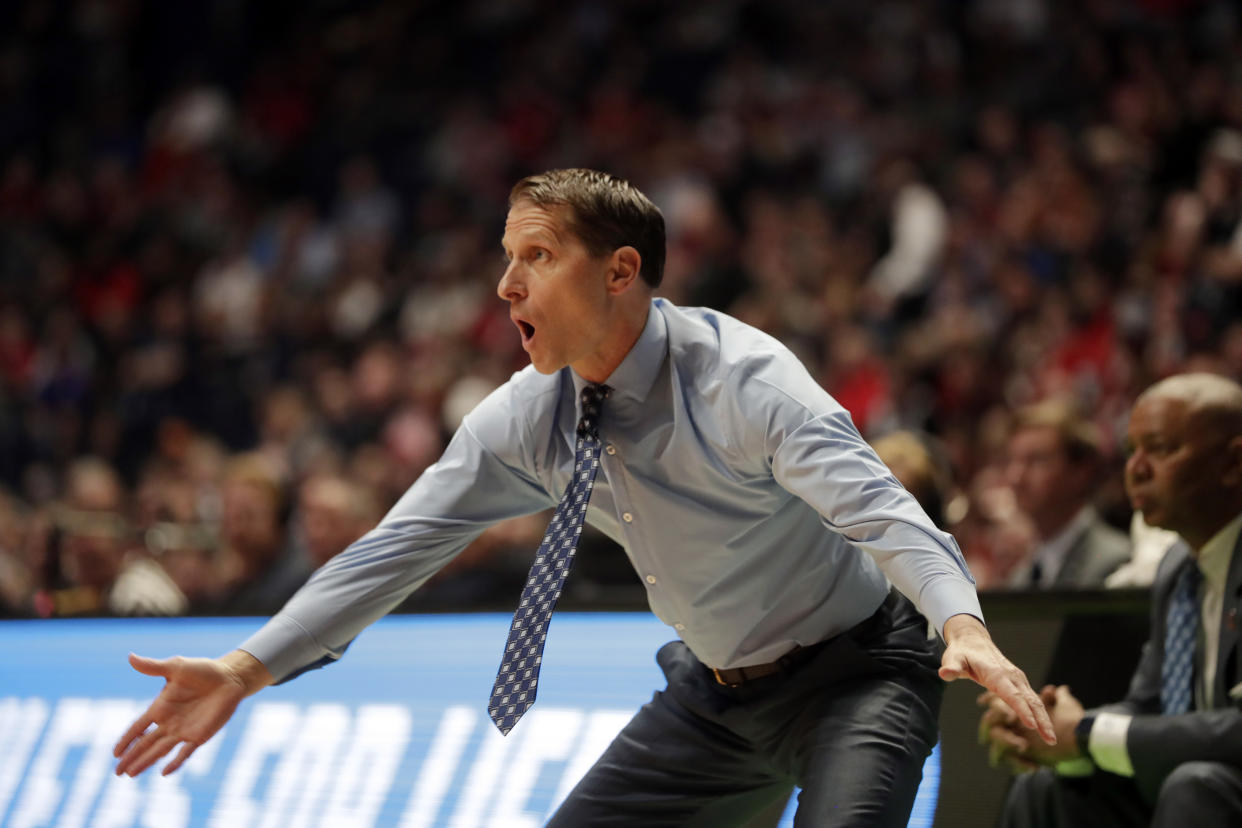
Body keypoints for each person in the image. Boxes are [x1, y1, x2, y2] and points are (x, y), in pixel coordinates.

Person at [113, 169, 1052, 826]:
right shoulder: (524, 418)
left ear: (620, 272)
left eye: (536, 256)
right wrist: (246, 666)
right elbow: (387, 554)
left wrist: (959, 620)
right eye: (505, 256)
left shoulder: (744, 381)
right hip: (712, 698)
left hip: (857, 675)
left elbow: (880, 509)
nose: (504, 283)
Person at [978, 372, 1242, 827]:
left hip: (1214, 790)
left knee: (1195, 785)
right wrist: (1049, 727)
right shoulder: (1178, 568)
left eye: (1160, 449)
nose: (1136, 470)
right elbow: (1150, 704)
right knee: (1042, 785)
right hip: (1194, 782)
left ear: (1233, 464)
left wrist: (1085, 733)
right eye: (1131, 450)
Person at [1002, 399, 1131, 589]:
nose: (1016, 477)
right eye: (1013, 461)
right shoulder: (1021, 576)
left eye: (1036, 460)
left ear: (1080, 472)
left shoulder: (1114, 564)